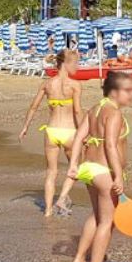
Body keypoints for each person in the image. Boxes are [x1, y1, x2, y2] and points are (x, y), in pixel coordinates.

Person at [67, 70, 132, 262]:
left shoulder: (95, 109)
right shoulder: (114, 114)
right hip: (104, 171)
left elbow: (79, 137)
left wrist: (73, 166)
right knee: (108, 221)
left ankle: (80, 258)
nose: (131, 95)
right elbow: (110, 146)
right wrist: (117, 175)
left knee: (97, 216)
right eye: (127, 91)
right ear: (114, 92)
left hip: (89, 168)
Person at [19, 47, 84, 217]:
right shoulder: (75, 85)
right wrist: (85, 133)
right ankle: (62, 198)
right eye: (76, 63)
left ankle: (47, 211)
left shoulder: (47, 84)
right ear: (67, 63)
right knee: (76, 168)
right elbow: (77, 112)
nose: (78, 67)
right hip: (70, 131)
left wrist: (25, 126)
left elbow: (33, 107)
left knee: (51, 172)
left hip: (52, 131)